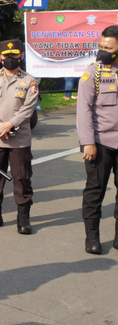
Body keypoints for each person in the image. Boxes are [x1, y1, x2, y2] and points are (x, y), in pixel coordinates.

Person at [0, 39, 38, 235]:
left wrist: (10, 124)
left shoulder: (29, 80)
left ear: (21, 56)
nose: (10, 59)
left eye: (14, 56)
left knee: (22, 178)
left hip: (19, 137)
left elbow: (28, 108)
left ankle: (23, 217)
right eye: (7, 56)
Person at [76, 25, 118, 254]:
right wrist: (87, 142)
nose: (103, 51)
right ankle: (92, 236)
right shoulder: (93, 72)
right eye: (101, 46)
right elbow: (83, 109)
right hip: (101, 142)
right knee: (95, 191)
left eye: (108, 48)